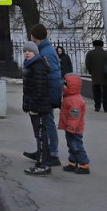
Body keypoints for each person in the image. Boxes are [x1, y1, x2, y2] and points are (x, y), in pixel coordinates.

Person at [28, 24, 63, 166]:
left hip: (46, 95)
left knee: (48, 124)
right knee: (43, 124)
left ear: (34, 36)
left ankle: (53, 155)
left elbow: (53, 77)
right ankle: (42, 151)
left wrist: (51, 98)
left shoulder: (46, 53)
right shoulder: (43, 50)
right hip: (44, 94)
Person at [21, 41, 54, 176]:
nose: (27, 53)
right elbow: (29, 89)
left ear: (35, 52)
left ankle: (43, 165)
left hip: (39, 107)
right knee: (39, 134)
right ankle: (42, 161)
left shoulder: (37, 66)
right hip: (35, 106)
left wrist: (34, 107)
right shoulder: (31, 65)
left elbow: (39, 90)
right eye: (25, 51)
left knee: (41, 135)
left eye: (30, 50)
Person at [58, 72, 90, 174]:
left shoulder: (75, 100)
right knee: (71, 146)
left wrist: (71, 129)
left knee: (76, 147)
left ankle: (84, 165)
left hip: (74, 129)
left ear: (71, 85)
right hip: (70, 128)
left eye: (65, 84)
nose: (63, 85)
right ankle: (72, 162)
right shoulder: (69, 96)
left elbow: (75, 117)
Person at [84, 39, 107, 112]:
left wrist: (90, 71)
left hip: (95, 75)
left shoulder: (90, 53)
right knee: (106, 92)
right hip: (106, 75)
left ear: (94, 45)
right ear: (102, 45)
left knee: (96, 91)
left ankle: (97, 106)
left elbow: (87, 64)